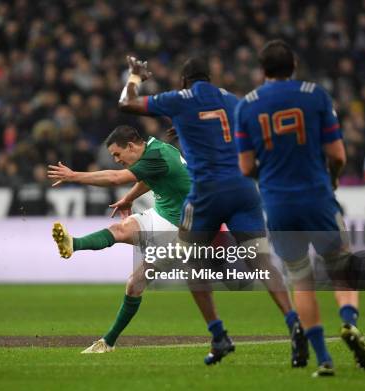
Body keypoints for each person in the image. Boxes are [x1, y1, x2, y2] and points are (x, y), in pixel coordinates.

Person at [118, 55, 306, 366]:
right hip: (244, 189)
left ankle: (219, 335)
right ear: (210, 77)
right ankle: (293, 322)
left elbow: (127, 103)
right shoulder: (232, 100)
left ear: (183, 81)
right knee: (262, 260)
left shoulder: (178, 99)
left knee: (191, 260)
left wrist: (136, 76)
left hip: (206, 192)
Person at [234, 40, 365, 377]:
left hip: (278, 205)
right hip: (317, 197)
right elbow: (338, 155)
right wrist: (334, 178)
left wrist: (266, 171)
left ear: (262, 69)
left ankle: (324, 359)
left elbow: (245, 167)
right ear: (294, 64)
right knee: (342, 267)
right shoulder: (316, 95)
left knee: (301, 280)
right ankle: (349, 322)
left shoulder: (247, 106)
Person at [48, 125, 191, 353]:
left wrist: (74, 176)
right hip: (163, 215)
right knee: (121, 234)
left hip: (182, 231)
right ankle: (72, 244)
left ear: (132, 146)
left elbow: (115, 178)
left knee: (134, 283)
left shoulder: (157, 154)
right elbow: (148, 177)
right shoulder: (156, 150)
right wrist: (128, 198)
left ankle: (108, 342)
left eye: (117, 154)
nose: (115, 159)